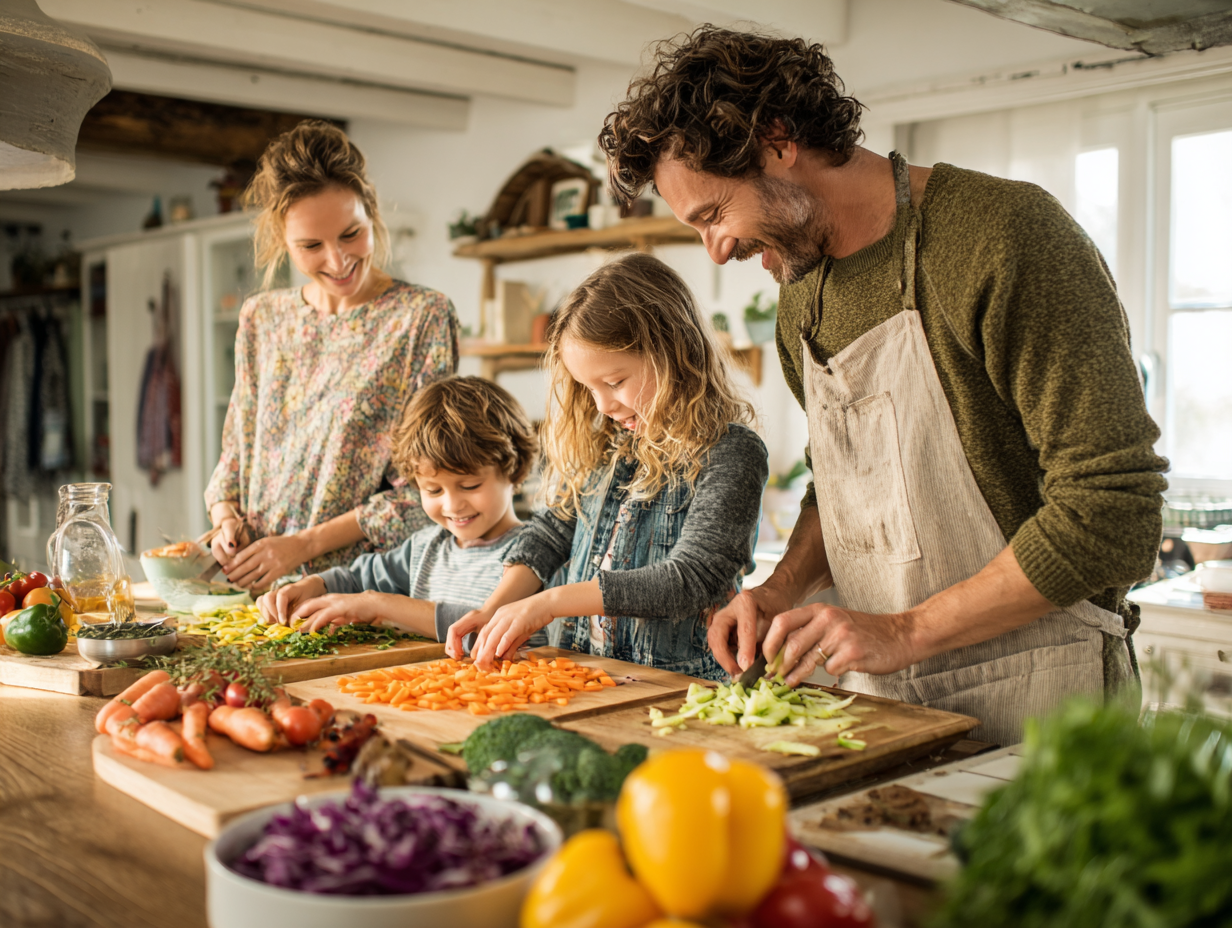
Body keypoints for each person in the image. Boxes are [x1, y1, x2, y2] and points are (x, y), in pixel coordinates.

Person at [599, 28, 1168, 744]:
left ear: (777, 139)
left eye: (714, 215)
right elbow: (840, 487)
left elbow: (1113, 513)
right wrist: (779, 590)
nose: (716, 249)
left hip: (1049, 696)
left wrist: (905, 630)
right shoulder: (803, 295)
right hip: (882, 707)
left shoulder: (1004, 237)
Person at [446, 253, 768, 681]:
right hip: (583, 675)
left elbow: (688, 580)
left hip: (676, 688)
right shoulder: (606, 446)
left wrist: (549, 602)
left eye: (615, 382)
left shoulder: (732, 454)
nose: (603, 405)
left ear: (672, 352)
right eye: (588, 387)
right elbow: (551, 533)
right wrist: (493, 609)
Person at [204, 121, 459, 591]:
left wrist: (301, 546)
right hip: (256, 586)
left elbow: (427, 486)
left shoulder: (420, 317)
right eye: (311, 246)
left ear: (373, 215)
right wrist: (225, 519)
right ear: (281, 239)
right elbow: (235, 456)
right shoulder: (262, 318)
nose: (337, 260)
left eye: (350, 234)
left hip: (356, 588)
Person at [257, 376, 537, 642]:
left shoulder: (538, 554)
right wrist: (315, 585)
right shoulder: (424, 548)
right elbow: (356, 578)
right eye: (433, 490)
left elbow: (486, 628)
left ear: (514, 470)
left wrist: (382, 605)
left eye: (470, 486)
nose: (452, 505)